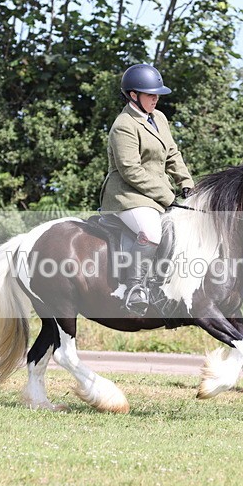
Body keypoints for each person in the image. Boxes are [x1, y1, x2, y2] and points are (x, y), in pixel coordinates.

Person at [100, 64, 194, 316]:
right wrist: (168, 195)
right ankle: (134, 288)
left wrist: (186, 182)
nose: (156, 98)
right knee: (152, 231)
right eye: (150, 94)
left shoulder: (159, 118)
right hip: (127, 196)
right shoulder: (124, 125)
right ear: (133, 95)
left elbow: (172, 153)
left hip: (154, 194)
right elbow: (130, 171)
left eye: (157, 94)